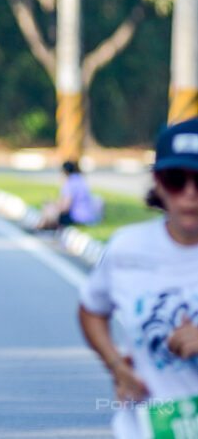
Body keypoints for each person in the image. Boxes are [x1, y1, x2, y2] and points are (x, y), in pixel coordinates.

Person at [79, 118, 198, 438]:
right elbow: (91, 309)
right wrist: (116, 365)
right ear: (158, 183)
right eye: (176, 180)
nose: (190, 193)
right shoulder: (127, 248)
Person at [37, 160, 103, 229]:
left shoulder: (69, 183)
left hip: (77, 218)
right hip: (89, 216)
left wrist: (53, 207)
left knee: (50, 210)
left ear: (64, 172)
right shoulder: (80, 179)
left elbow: (66, 207)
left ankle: (40, 228)